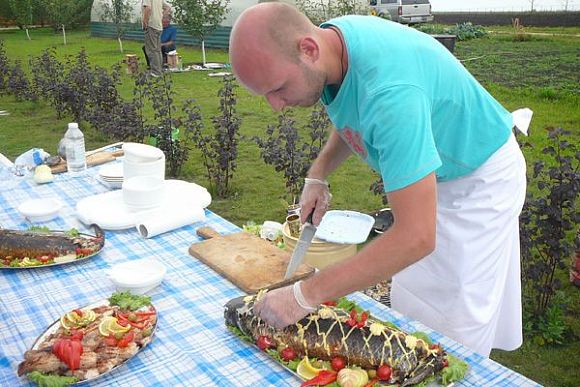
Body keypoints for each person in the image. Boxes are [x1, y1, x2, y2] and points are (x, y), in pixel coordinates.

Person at [229, 2, 527, 357]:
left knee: (456, 321)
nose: (276, 106)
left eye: (277, 88)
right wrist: (319, 174)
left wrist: (304, 295)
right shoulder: (330, 47)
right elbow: (351, 110)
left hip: (477, 180)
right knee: (413, 300)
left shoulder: (391, 94)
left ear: (307, 50)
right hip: (436, 173)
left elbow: (416, 237)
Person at [142, 0, 171, 77]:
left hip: (151, 25)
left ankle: (155, 72)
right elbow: (168, 7)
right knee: (157, 50)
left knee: (152, 50)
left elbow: (148, 8)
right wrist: (161, 16)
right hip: (159, 26)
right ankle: (159, 70)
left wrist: (145, 21)